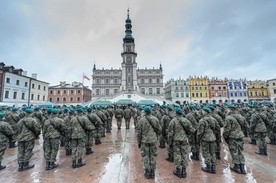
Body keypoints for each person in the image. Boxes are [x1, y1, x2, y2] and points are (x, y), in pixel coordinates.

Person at [167, 107, 195, 178]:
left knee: (177, 155)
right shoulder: (186, 120)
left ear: (176, 113)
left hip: (176, 140)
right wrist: (187, 135)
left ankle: (178, 171)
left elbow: (170, 134)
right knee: (184, 154)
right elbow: (192, 130)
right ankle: (184, 171)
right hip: (184, 140)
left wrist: (169, 143)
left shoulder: (173, 121)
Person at [137, 106, 161, 179]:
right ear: (150, 111)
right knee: (152, 156)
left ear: (145, 112)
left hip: (144, 141)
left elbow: (139, 133)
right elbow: (159, 130)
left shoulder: (141, 120)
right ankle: (153, 172)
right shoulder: (155, 119)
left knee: (146, 156)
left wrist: (139, 142)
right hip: (153, 140)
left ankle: (147, 172)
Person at [223, 105, 248, 174]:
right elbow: (246, 126)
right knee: (240, 151)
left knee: (234, 152)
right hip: (240, 136)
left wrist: (225, 137)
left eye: (228, 109)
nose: (227, 110)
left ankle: (237, 167)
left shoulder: (229, 118)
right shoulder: (241, 117)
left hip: (232, 137)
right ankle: (242, 168)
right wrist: (240, 131)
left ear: (230, 110)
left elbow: (226, 130)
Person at [197, 107, 217, 174]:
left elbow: (200, 132)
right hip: (213, 138)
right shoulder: (213, 119)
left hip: (205, 138)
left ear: (205, 112)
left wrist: (198, 139)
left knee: (206, 153)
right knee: (212, 153)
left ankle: (208, 167)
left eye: (203, 111)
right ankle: (213, 167)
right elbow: (216, 129)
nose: (201, 112)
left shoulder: (202, 120)